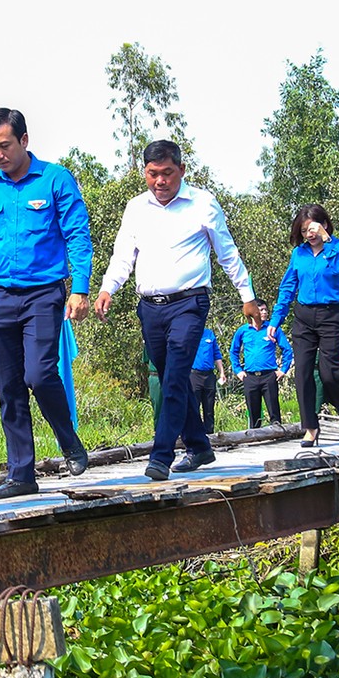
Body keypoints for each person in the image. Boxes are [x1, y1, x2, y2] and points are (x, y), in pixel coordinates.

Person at [97, 141, 262, 481]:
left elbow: (227, 253)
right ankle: (200, 446)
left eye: (167, 173)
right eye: (152, 174)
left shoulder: (202, 203)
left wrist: (247, 295)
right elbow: (123, 255)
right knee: (172, 376)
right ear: (144, 173)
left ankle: (161, 455)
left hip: (190, 303)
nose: (160, 181)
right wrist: (107, 289)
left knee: (173, 378)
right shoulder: (136, 208)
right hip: (150, 308)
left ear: (181, 171)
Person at [0, 108, 93, 500]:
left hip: (43, 293)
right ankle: (21, 473)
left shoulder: (55, 180)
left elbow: (78, 237)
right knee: (9, 386)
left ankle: (68, 440)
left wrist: (80, 289)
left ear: (24, 140)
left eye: (4, 145)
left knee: (39, 374)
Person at [267, 204, 339, 447]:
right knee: (303, 373)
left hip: (333, 315)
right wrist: (275, 320)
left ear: (325, 226)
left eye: (313, 228)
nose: (309, 233)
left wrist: (327, 242)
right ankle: (310, 427)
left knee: (330, 375)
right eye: (304, 229)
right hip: (305, 316)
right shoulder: (299, 254)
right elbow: (288, 287)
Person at [228, 312, 291, 428]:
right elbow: (233, 351)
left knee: (274, 412)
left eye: (265, 310)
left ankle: (277, 435)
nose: (264, 312)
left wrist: (283, 370)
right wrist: (238, 370)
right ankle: (254, 438)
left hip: (269, 376)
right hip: (250, 377)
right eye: (261, 310)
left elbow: (287, 350)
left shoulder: (272, 329)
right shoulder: (243, 330)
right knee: (253, 414)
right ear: (253, 313)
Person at [190, 324, 229, 436]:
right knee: (194, 407)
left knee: (209, 408)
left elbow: (216, 354)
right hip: (194, 375)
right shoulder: (189, 334)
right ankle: (194, 435)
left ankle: (210, 434)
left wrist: (222, 372)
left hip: (208, 376)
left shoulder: (209, 334)